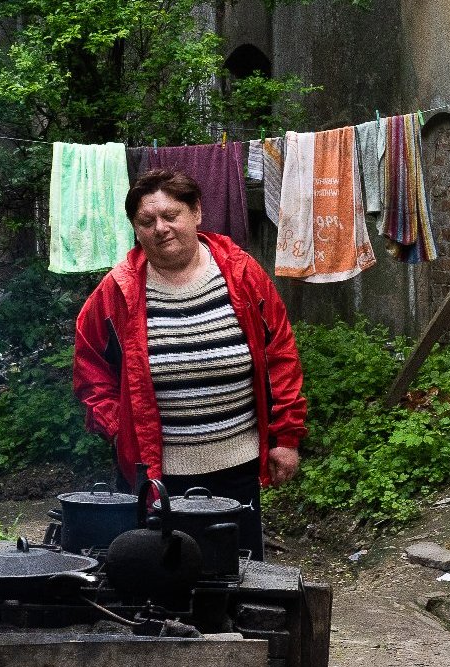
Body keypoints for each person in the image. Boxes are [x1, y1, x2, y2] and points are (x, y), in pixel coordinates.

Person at [72, 168, 306, 562]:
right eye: (147, 221)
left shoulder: (242, 274)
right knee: (166, 579)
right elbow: (90, 373)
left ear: (196, 212)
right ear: (135, 228)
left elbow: (280, 354)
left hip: (238, 464)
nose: (160, 228)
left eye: (171, 215)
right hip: (159, 473)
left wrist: (286, 437)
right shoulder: (116, 292)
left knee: (238, 571)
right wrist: (119, 429)